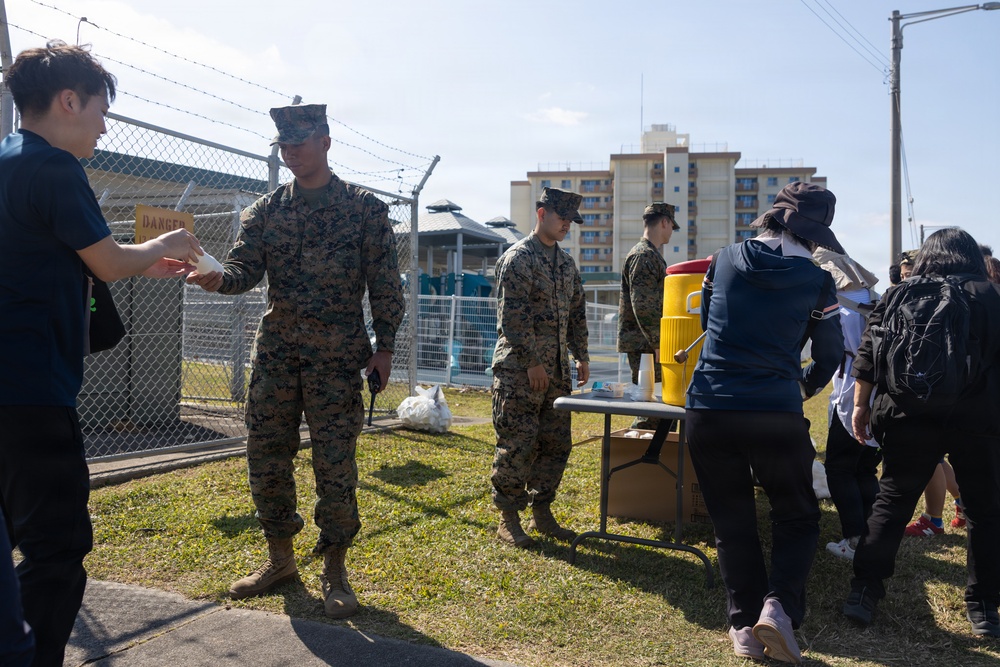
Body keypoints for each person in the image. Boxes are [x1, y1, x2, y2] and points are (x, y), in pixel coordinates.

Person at [0, 41, 202, 667]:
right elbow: (110, 261)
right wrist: (165, 242)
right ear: (68, 100)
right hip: (33, 390)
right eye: (99, 109)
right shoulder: (56, 167)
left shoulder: (7, 159)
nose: (104, 125)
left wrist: (145, 264)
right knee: (56, 549)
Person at [187, 104, 404, 618]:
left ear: (326, 141)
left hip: (335, 359)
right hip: (278, 356)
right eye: (283, 144)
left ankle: (335, 570)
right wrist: (219, 277)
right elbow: (245, 269)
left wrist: (385, 347)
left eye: (300, 142)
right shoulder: (265, 212)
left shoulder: (364, 210)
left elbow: (386, 286)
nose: (291, 152)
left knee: (335, 466)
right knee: (266, 458)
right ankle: (280, 559)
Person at [685, 182, 844, 664]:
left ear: (771, 217)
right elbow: (832, 352)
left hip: (709, 407)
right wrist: (801, 386)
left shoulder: (723, 259)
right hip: (775, 410)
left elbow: (707, 324)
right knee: (796, 515)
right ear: (815, 234)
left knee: (732, 520)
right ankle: (778, 609)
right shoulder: (818, 281)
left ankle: (743, 627)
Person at [844, 228, 1000, 639]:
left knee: (892, 502)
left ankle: (864, 592)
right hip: (977, 419)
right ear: (970, 256)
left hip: (907, 413)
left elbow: (869, 352)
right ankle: (983, 606)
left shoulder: (901, 292)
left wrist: (860, 406)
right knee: (985, 512)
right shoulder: (989, 295)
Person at [490, 187, 590, 548]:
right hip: (520, 370)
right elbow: (511, 316)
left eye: (570, 220)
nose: (566, 225)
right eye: (561, 217)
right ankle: (507, 517)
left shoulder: (566, 264)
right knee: (517, 444)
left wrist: (582, 355)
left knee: (556, 444)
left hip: (557, 373)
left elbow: (577, 311)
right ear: (541, 213)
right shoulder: (519, 258)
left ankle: (542, 511)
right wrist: (532, 361)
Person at [813, 249, 881, 562]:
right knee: (865, 466)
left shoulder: (840, 306)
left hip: (854, 391)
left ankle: (853, 540)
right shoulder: (873, 297)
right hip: (881, 393)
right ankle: (872, 535)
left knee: (840, 469)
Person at [617, 202, 679, 429]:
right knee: (653, 409)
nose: (672, 231)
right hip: (647, 346)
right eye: (672, 225)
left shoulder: (650, 255)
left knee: (664, 409)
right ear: (664, 222)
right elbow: (642, 306)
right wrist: (658, 344)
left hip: (650, 344)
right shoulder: (643, 256)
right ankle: (639, 455)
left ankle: (657, 457)